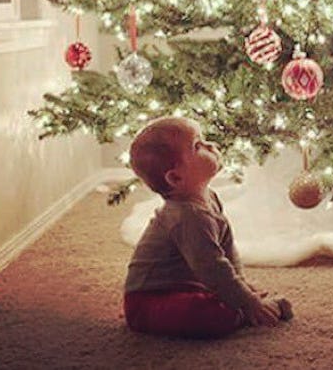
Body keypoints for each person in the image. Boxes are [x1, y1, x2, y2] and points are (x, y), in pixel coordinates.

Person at [123, 116, 293, 338]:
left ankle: (240, 304)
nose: (210, 146)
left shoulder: (209, 197)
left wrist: (241, 285)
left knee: (226, 292)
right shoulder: (188, 216)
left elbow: (226, 247)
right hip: (149, 302)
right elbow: (211, 266)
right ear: (175, 177)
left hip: (189, 285)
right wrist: (249, 303)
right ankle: (245, 314)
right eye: (197, 146)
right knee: (208, 314)